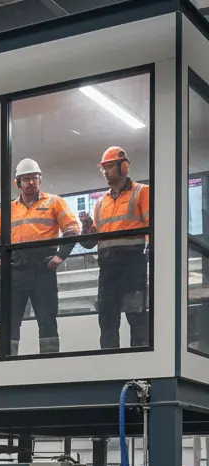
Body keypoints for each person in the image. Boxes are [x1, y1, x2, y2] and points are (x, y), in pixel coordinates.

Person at [0, 158, 80, 355]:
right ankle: (5, 363)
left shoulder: (54, 202)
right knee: (9, 321)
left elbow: (72, 229)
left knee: (47, 319)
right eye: (26, 179)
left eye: (34, 178)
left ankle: (49, 363)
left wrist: (60, 256)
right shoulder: (8, 209)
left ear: (41, 180)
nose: (30, 183)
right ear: (17, 183)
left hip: (43, 269)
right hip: (16, 270)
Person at [77, 146, 149, 349]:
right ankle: (111, 369)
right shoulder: (101, 203)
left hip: (133, 266)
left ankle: (141, 374)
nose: (106, 172)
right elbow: (90, 242)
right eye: (104, 169)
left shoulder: (141, 193)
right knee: (107, 321)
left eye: (109, 167)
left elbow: (155, 229)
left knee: (138, 319)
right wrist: (88, 228)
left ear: (124, 167)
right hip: (108, 268)